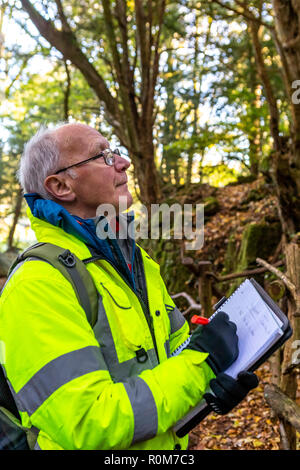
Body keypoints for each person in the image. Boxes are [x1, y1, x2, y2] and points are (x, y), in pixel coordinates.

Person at [0, 123, 258, 450]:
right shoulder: (37, 284)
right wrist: (202, 365)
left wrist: (215, 384)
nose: (124, 163)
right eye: (103, 156)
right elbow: (89, 423)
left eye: (117, 152)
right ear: (61, 186)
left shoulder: (138, 262)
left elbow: (174, 362)